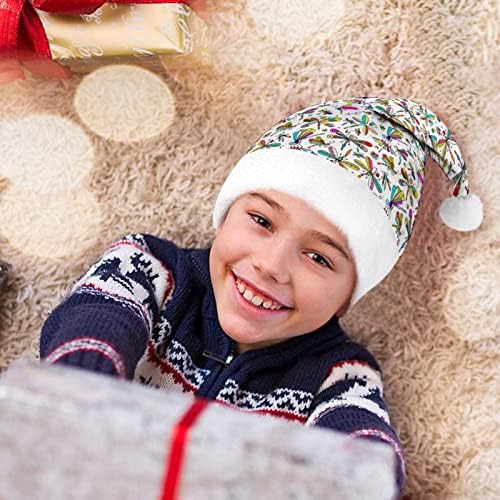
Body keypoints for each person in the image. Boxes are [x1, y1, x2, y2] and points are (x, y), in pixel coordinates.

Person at [39, 97, 484, 499]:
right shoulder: (150, 268)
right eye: (261, 220)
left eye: (318, 257)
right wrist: (80, 387)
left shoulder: (339, 372)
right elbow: (98, 319)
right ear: (224, 215)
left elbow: (365, 449)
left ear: (349, 295)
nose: (271, 264)